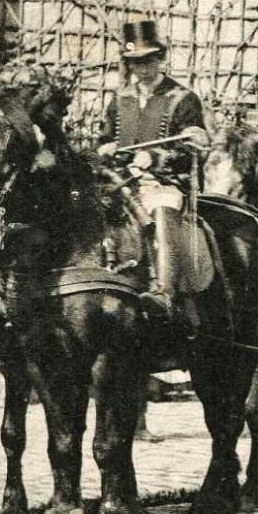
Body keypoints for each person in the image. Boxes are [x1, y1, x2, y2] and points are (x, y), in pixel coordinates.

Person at [96, 19, 212, 323]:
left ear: (161, 58)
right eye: (135, 62)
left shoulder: (182, 99)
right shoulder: (120, 99)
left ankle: (164, 292)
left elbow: (193, 148)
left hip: (164, 184)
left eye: (149, 60)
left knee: (161, 208)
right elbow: (105, 137)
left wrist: (156, 157)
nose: (143, 68)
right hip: (122, 182)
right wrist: (105, 147)